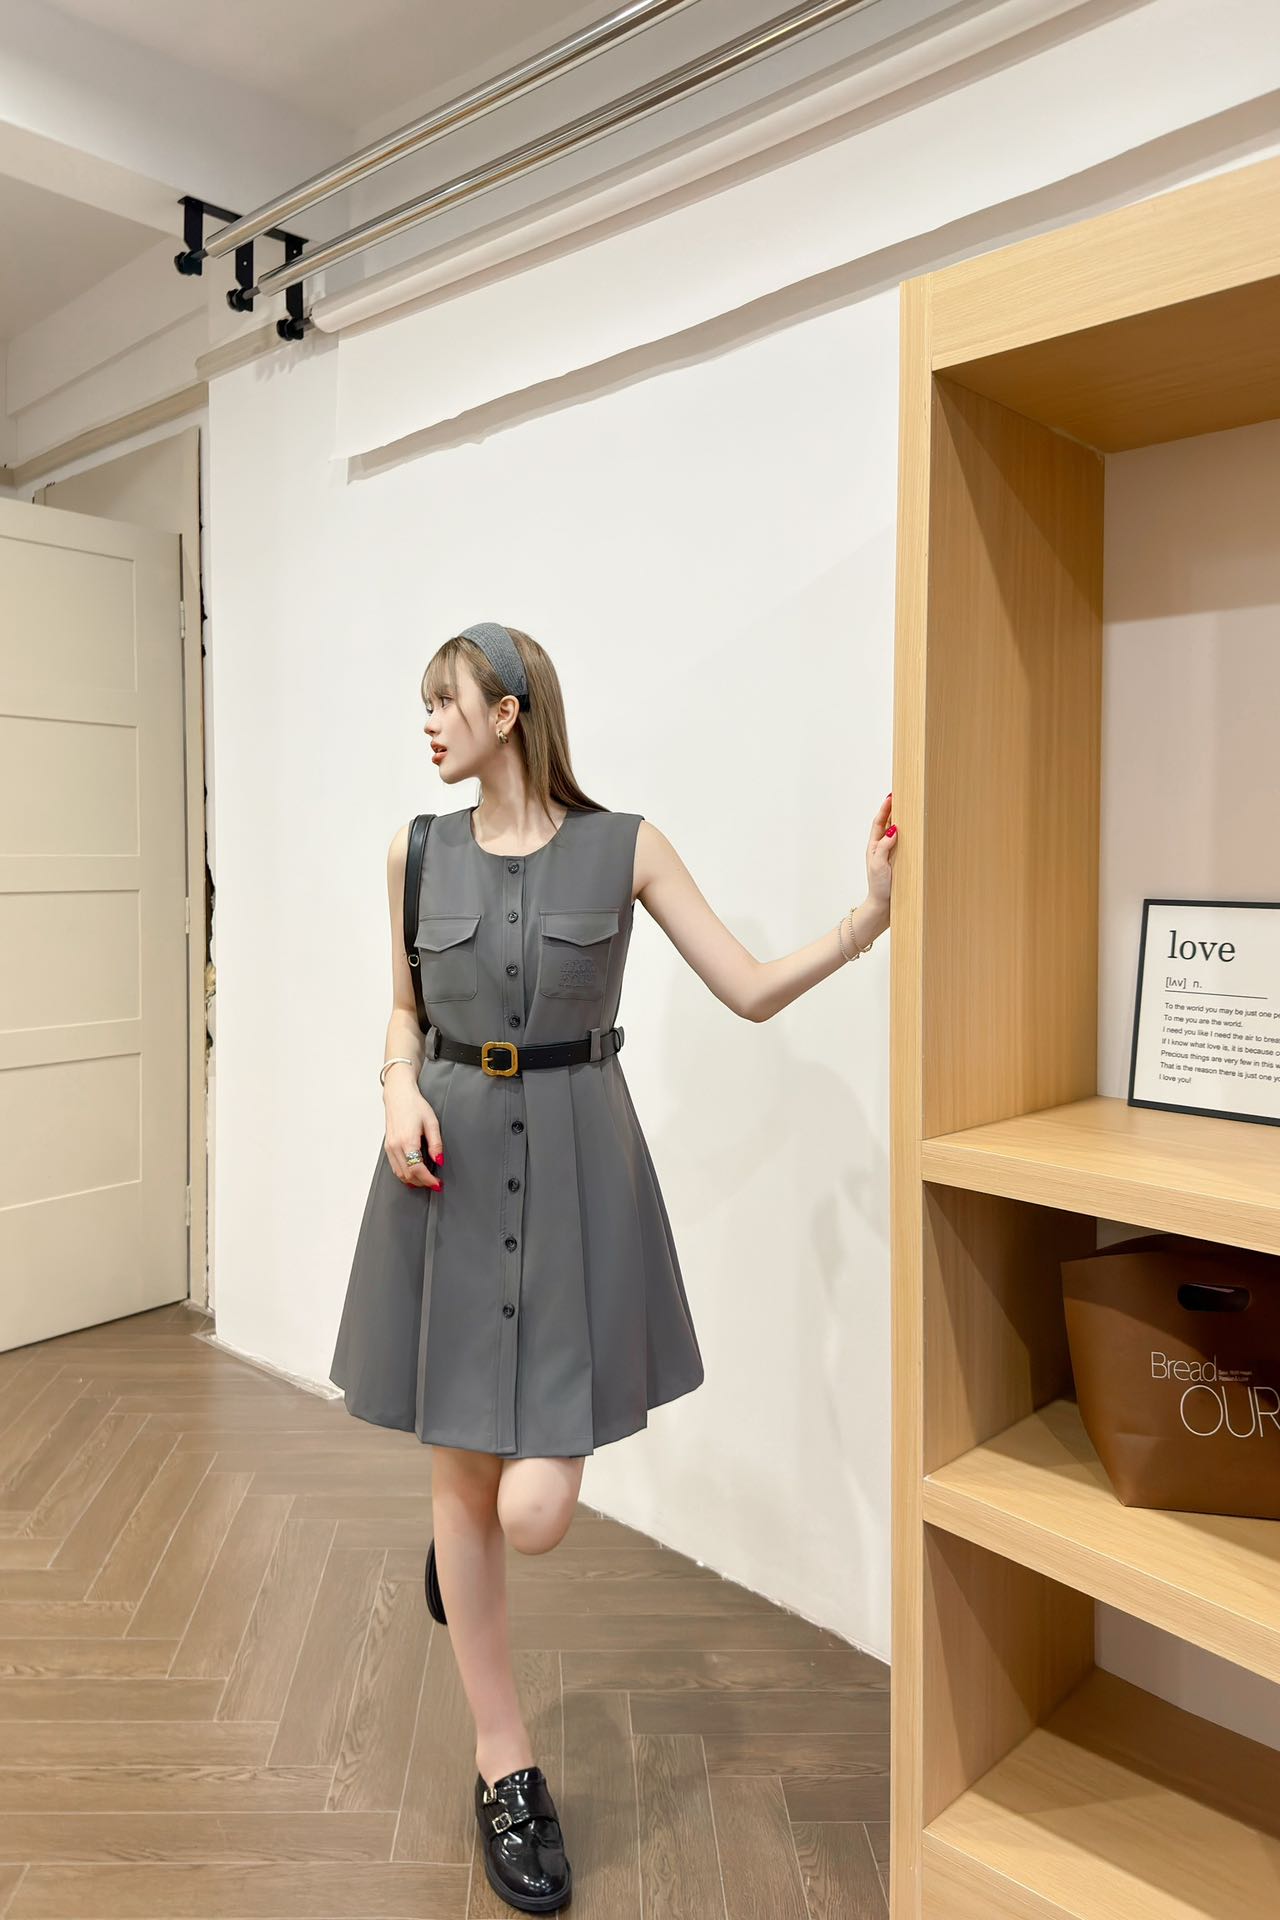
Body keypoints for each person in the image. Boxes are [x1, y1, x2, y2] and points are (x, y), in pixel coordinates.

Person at [329, 621, 895, 1915]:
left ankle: (462, 1545)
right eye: (425, 704)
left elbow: (748, 988)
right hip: (448, 1173)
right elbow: (406, 1008)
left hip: (579, 1182)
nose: (429, 723)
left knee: (533, 1512)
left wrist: (866, 917)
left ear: (508, 712)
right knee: (464, 1478)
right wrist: (394, 1089)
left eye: (446, 701)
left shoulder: (625, 846)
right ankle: (504, 1762)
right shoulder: (414, 853)